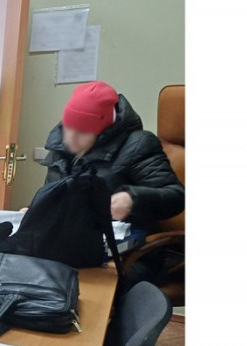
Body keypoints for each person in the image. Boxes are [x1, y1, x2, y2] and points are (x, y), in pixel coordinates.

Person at [40, 81, 184, 285]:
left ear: (102, 131)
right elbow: (52, 195)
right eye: (68, 128)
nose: (69, 138)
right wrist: (36, 211)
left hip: (127, 255)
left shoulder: (139, 145)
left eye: (81, 132)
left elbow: (176, 196)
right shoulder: (61, 147)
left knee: (81, 289)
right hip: (70, 247)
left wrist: (132, 199)